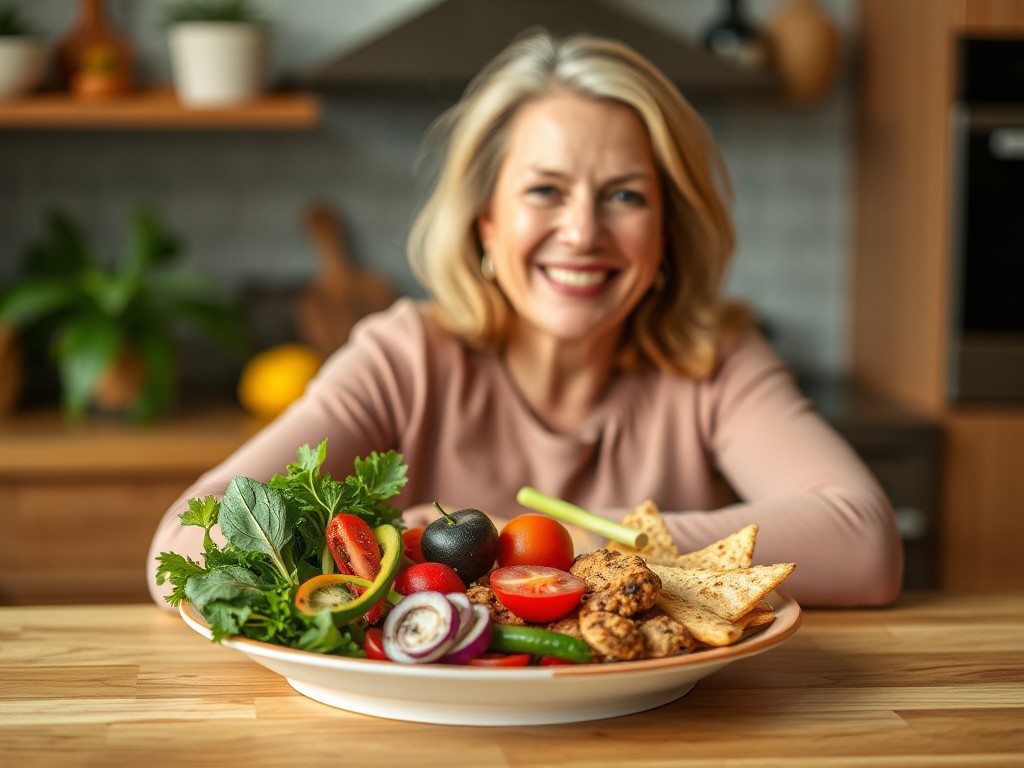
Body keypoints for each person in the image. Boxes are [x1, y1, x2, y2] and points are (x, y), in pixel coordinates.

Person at [147, 29, 903, 609]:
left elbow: (865, 546)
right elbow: (181, 548)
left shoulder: (713, 357)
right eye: (545, 191)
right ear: (486, 223)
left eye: (626, 196)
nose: (582, 232)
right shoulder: (405, 355)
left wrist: (544, 542)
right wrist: (394, 549)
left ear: (667, 232)